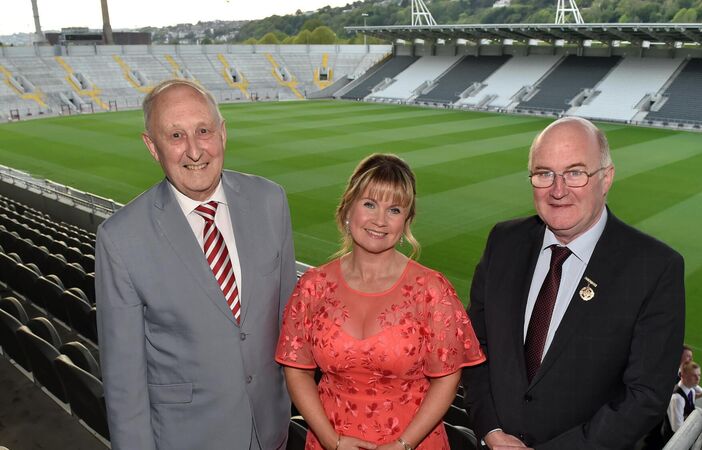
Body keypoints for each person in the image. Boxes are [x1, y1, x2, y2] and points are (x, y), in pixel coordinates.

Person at [462, 116, 685, 449]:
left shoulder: (654, 267)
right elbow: (473, 348)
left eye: (575, 172)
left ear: (606, 178)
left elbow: (645, 396)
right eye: (544, 173)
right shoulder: (503, 241)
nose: (557, 189)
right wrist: (492, 431)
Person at [96, 79, 296, 450]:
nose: (194, 150)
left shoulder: (271, 201)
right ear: (152, 147)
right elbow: (124, 384)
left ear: (222, 133)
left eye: (203, 131)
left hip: (272, 431)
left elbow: (291, 326)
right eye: (175, 135)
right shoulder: (120, 239)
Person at [275, 154, 485, 450]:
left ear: (406, 221)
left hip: (414, 443)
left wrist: (403, 444)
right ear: (349, 207)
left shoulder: (432, 290)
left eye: (395, 209)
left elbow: (448, 378)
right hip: (330, 439)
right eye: (370, 204)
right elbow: (296, 369)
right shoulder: (313, 286)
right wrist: (330, 440)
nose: (380, 220)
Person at [664, 361, 702, 440]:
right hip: (673, 441)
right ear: (683, 375)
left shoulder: (691, 390)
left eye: (699, 375)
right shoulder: (677, 398)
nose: (698, 378)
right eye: (694, 375)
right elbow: (677, 429)